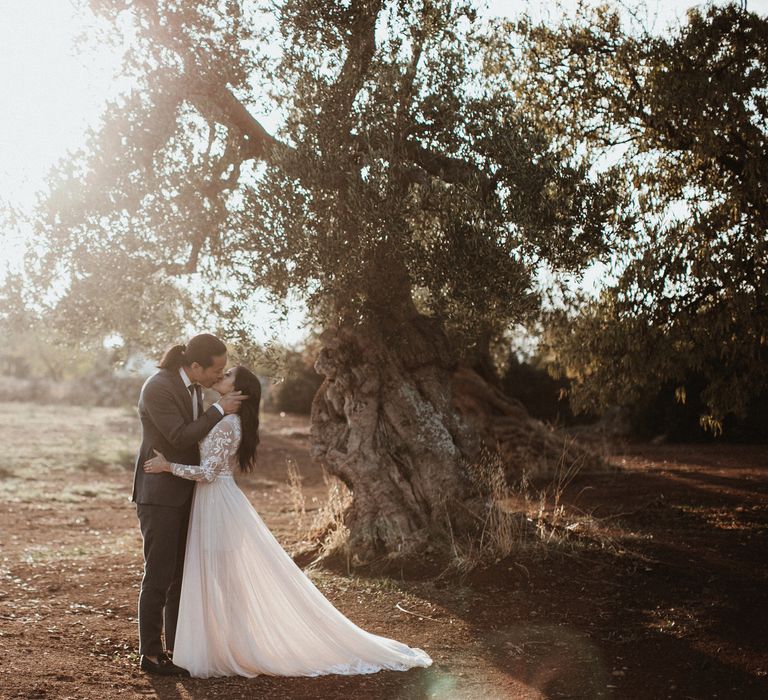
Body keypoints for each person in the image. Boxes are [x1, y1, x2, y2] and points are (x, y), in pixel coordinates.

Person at [144, 365, 432, 678]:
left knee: (220, 579)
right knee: (217, 578)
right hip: (212, 501)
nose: (221, 376)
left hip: (216, 503)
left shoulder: (228, 425)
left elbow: (209, 473)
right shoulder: (227, 419)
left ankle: (235, 647)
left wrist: (167, 466)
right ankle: (218, 643)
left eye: (227, 375)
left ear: (240, 392)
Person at [133, 333, 247, 676]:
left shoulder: (196, 388)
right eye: (218, 369)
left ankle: (177, 648)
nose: (219, 375)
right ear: (195, 366)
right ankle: (150, 655)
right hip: (160, 494)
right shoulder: (159, 387)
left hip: (188, 491)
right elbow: (180, 436)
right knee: (159, 573)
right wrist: (218, 410)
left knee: (181, 575)